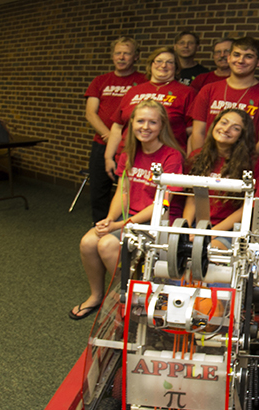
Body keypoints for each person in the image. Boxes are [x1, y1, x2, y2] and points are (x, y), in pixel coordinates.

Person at [71, 100, 186, 320]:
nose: (145, 127)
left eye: (153, 122)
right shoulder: (129, 153)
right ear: (132, 123)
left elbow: (163, 202)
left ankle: (131, 297)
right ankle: (97, 296)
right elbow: (122, 192)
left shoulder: (171, 156)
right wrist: (110, 219)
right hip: (130, 218)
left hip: (159, 220)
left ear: (162, 126)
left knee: (106, 244)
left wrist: (120, 225)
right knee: (88, 242)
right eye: (140, 121)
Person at [83, 36, 147, 223]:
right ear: (112, 56)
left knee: (129, 189)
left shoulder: (143, 81)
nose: (121, 57)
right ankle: (99, 226)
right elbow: (90, 113)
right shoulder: (100, 81)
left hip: (132, 146)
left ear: (136, 56)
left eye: (126, 53)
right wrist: (109, 136)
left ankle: (124, 228)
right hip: (101, 144)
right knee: (99, 189)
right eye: (118, 53)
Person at [103, 46, 196, 175]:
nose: (163, 65)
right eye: (158, 61)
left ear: (176, 67)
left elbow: (192, 132)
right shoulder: (133, 91)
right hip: (129, 158)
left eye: (169, 62)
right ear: (151, 64)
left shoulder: (187, 93)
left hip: (166, 162)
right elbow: (118, 126)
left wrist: (189, 162)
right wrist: (108, 157)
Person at [183, 109, 259, 248]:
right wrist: (186, 228)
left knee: (206, 251)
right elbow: (192, 197)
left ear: (242, 135)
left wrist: (211, 233)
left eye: (235, 128)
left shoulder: (253, 163)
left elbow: (247, 206)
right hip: (198, 226)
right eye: (224, 123)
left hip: (230, 229)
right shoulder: (197, 156)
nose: (226, 129)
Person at [188, 37, 259, 151]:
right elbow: (198, 132)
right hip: (208, 157)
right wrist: (201, 159)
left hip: (245, 159)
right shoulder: (208, 90)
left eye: (248, 56)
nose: (241, 60)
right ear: (229, 58)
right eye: (236, 55)